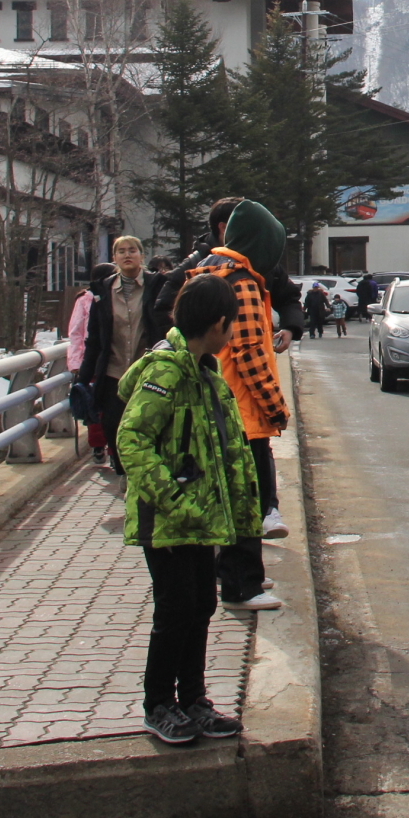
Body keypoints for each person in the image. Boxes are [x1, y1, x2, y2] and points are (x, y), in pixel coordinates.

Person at [114, 273, 256, 746]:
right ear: (217, 323)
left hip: (200, 521)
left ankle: (193, 700)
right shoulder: (166, 372)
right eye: (231, 323)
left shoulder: (202, 371)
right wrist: (173, 499)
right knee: (174, 611)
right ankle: (159, 704)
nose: (232, 331)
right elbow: (131, 440)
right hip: (170, 523)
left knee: (201, 605)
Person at [165, 199, 296, 610]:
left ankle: (241, 575)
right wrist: (277, 407)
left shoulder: (206, 271)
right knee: (247, 499)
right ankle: (242, 586)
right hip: (241, 410)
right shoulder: (245, 284)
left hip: (212, 404)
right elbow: (250, 355)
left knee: (228, 497)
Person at [152, 198, 305, 346]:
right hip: (214, 362)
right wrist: (193, 350)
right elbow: (164, 310)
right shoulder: (196, 264)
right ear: (224, 228)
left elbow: (288, 298)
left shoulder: (264, 262)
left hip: (257, 351)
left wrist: (290, 327)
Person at [79, 237, 152, 470]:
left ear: (142, 255)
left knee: (148, 422)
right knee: (112, 422)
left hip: (147, 369)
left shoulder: (157, 285)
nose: (127, 255)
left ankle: (145, 469)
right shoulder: (103, 291)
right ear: (114, 258)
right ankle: (122, 469)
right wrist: (83, 377)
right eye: (121, 251)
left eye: (132, 250)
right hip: (113, 370)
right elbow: (93, 338)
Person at [65, 263, 113, 378]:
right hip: (91, 357)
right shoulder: (84, 299)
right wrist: (76, 363)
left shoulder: (116, 296)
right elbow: (76, 332)